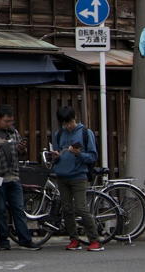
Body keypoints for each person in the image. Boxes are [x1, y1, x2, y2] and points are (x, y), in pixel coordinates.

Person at [48, 105, 102, 252]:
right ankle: (74, 239)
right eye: (64, 123)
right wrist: (56, 156)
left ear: (74, 119)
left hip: (79, 176)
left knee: (81, 208)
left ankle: (95, 240)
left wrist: (78, 154)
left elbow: (93, 156)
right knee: (66, 209)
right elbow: (58, 152)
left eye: (69, 122)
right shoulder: (59, 133)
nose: (67, 126)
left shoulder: (85, 133)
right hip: (62, 175)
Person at [0, 105, 39, 251]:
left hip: (14, 175)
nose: (9, 124)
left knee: (18, 208)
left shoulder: (13, 132)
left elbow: (20, 153)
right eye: (6, 121)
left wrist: (21, 149)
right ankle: (3, 240)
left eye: (11, 121)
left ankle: (25, 239)